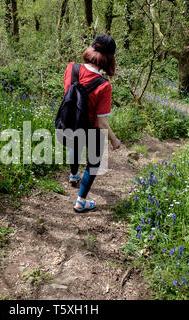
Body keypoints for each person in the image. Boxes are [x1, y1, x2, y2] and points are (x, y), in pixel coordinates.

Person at [63, 34, 122, 213]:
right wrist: (114, 139)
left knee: (76, 143)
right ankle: (81, 201)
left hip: (70, 121)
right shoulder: (104, 86)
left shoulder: (72, 68)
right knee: (94, 161)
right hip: (91, 129)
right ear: (109, 58)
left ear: (91, 49)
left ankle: (73, 175)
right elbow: (101, 122)